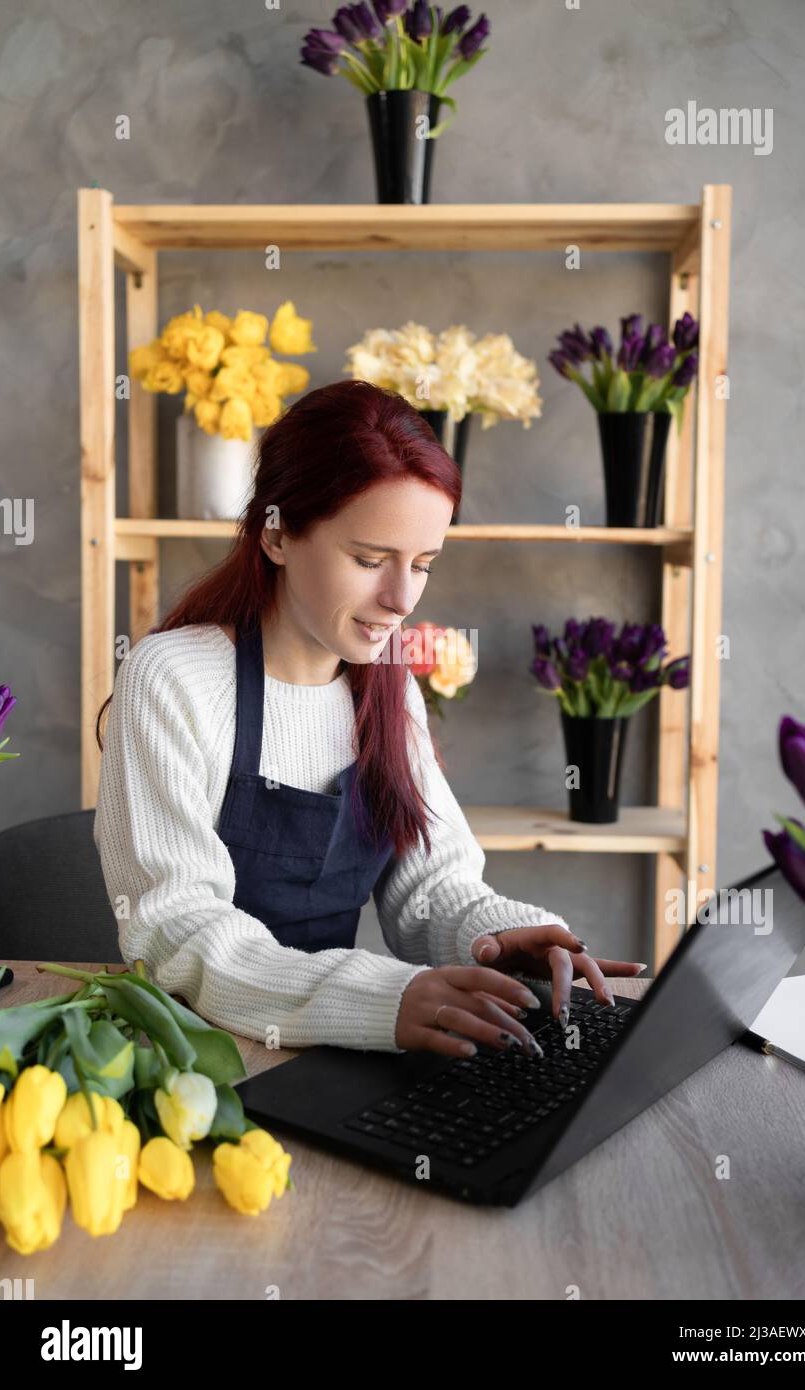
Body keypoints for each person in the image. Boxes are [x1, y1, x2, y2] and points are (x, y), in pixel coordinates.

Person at [93, 379, 645, 1060]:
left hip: (331, 1052)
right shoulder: (173, 679)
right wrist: (379, 998)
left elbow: (430, 891)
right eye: (369, 559)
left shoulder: (387, 688)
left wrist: (504, 938)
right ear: (277, 535)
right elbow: (179, 931)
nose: (401, 598)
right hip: (198, 1059)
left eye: (423, 565)